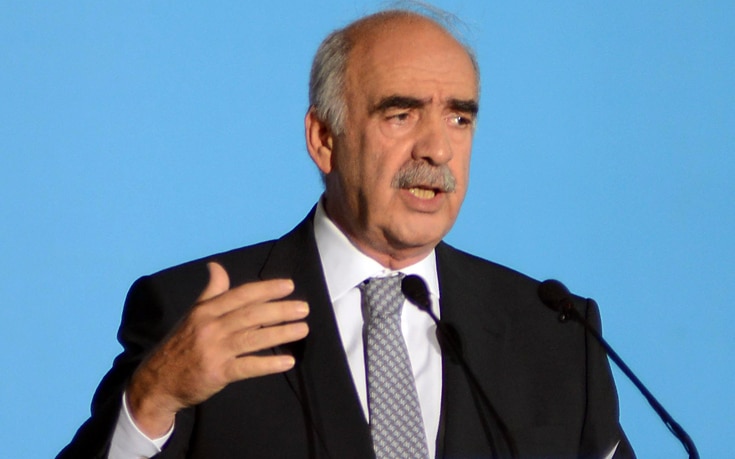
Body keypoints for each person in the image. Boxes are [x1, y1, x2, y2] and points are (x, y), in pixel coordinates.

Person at [59, 6, 634, 459]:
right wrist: (153, 398)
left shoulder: (556, 336)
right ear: (324, 139)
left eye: (459, 117)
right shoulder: (196, 316)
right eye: (401, 114)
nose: (437, 149)